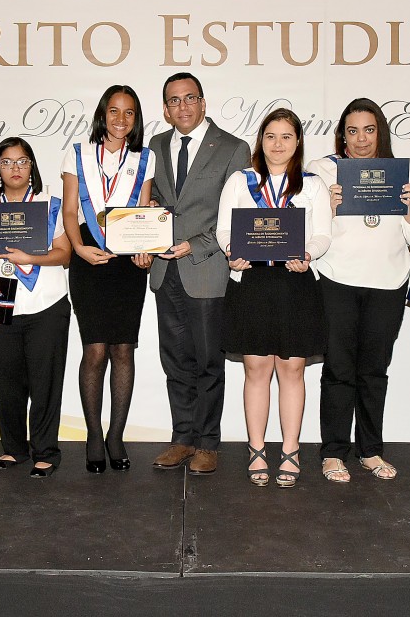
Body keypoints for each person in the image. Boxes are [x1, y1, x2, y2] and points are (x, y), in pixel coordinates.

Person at [137, 72, 249, 476]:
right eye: (173, 101)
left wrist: (196, 244)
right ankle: (182, 439)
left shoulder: (234, 149)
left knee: (207, 362)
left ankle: (208, 443)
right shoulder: (155, 145)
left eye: (189, 98)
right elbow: (155, 203)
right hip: (166, 270)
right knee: (175, 361)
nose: (181, 107)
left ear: (203, 102)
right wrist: (144, 240)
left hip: (206, 267)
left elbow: (236, 214)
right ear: (165, 109)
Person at [217, 109, 331, 487]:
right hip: (252, 282)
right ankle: (256, 449)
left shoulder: (311, 185)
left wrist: (309, 253)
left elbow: (322, 234)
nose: (277, 144)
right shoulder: (240, 180)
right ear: (260, 141)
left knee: (292, 370)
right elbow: (223, 228)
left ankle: (291, 450)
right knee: (256, 370)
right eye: (270, 136)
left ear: (298, 142)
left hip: (295, 284)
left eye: (286, 136)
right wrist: (234, 248)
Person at [307, 98, 410, 483]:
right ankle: (334, 453)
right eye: (352, 131)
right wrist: (328, 209)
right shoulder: (322, 170)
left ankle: (370, 451)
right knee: (338, 370)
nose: (361, 139)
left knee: (374, 371)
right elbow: (307, 231)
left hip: (388, 282)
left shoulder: (400, 173)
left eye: (369, 130)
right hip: (338, 280)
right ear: (342, 135)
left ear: (380, 132)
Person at [60, 85, 155, 473]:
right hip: (89, 259)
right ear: (102, 114)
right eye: (113, 111)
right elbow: (69, 210)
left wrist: (147, 247)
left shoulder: (144, 158)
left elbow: (144, 213)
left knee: (123, 351)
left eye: (129, 112)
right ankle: (93, 435)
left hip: (127, 264)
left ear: (136, 119)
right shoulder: (78, 153)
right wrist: (79, 248)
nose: (120, 119)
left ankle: (116, 435)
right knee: (95, 350)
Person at [0, 138, 73, 478]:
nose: (15, 168)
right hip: (0, 295)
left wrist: (30, 257)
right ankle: (14, 449)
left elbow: (65, 254)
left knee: (45, 382)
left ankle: (45, 451)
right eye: (7, 162)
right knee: (7, 381)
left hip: (47, 300)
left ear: (32, 167)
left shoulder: (50, 205)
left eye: (22, 161)